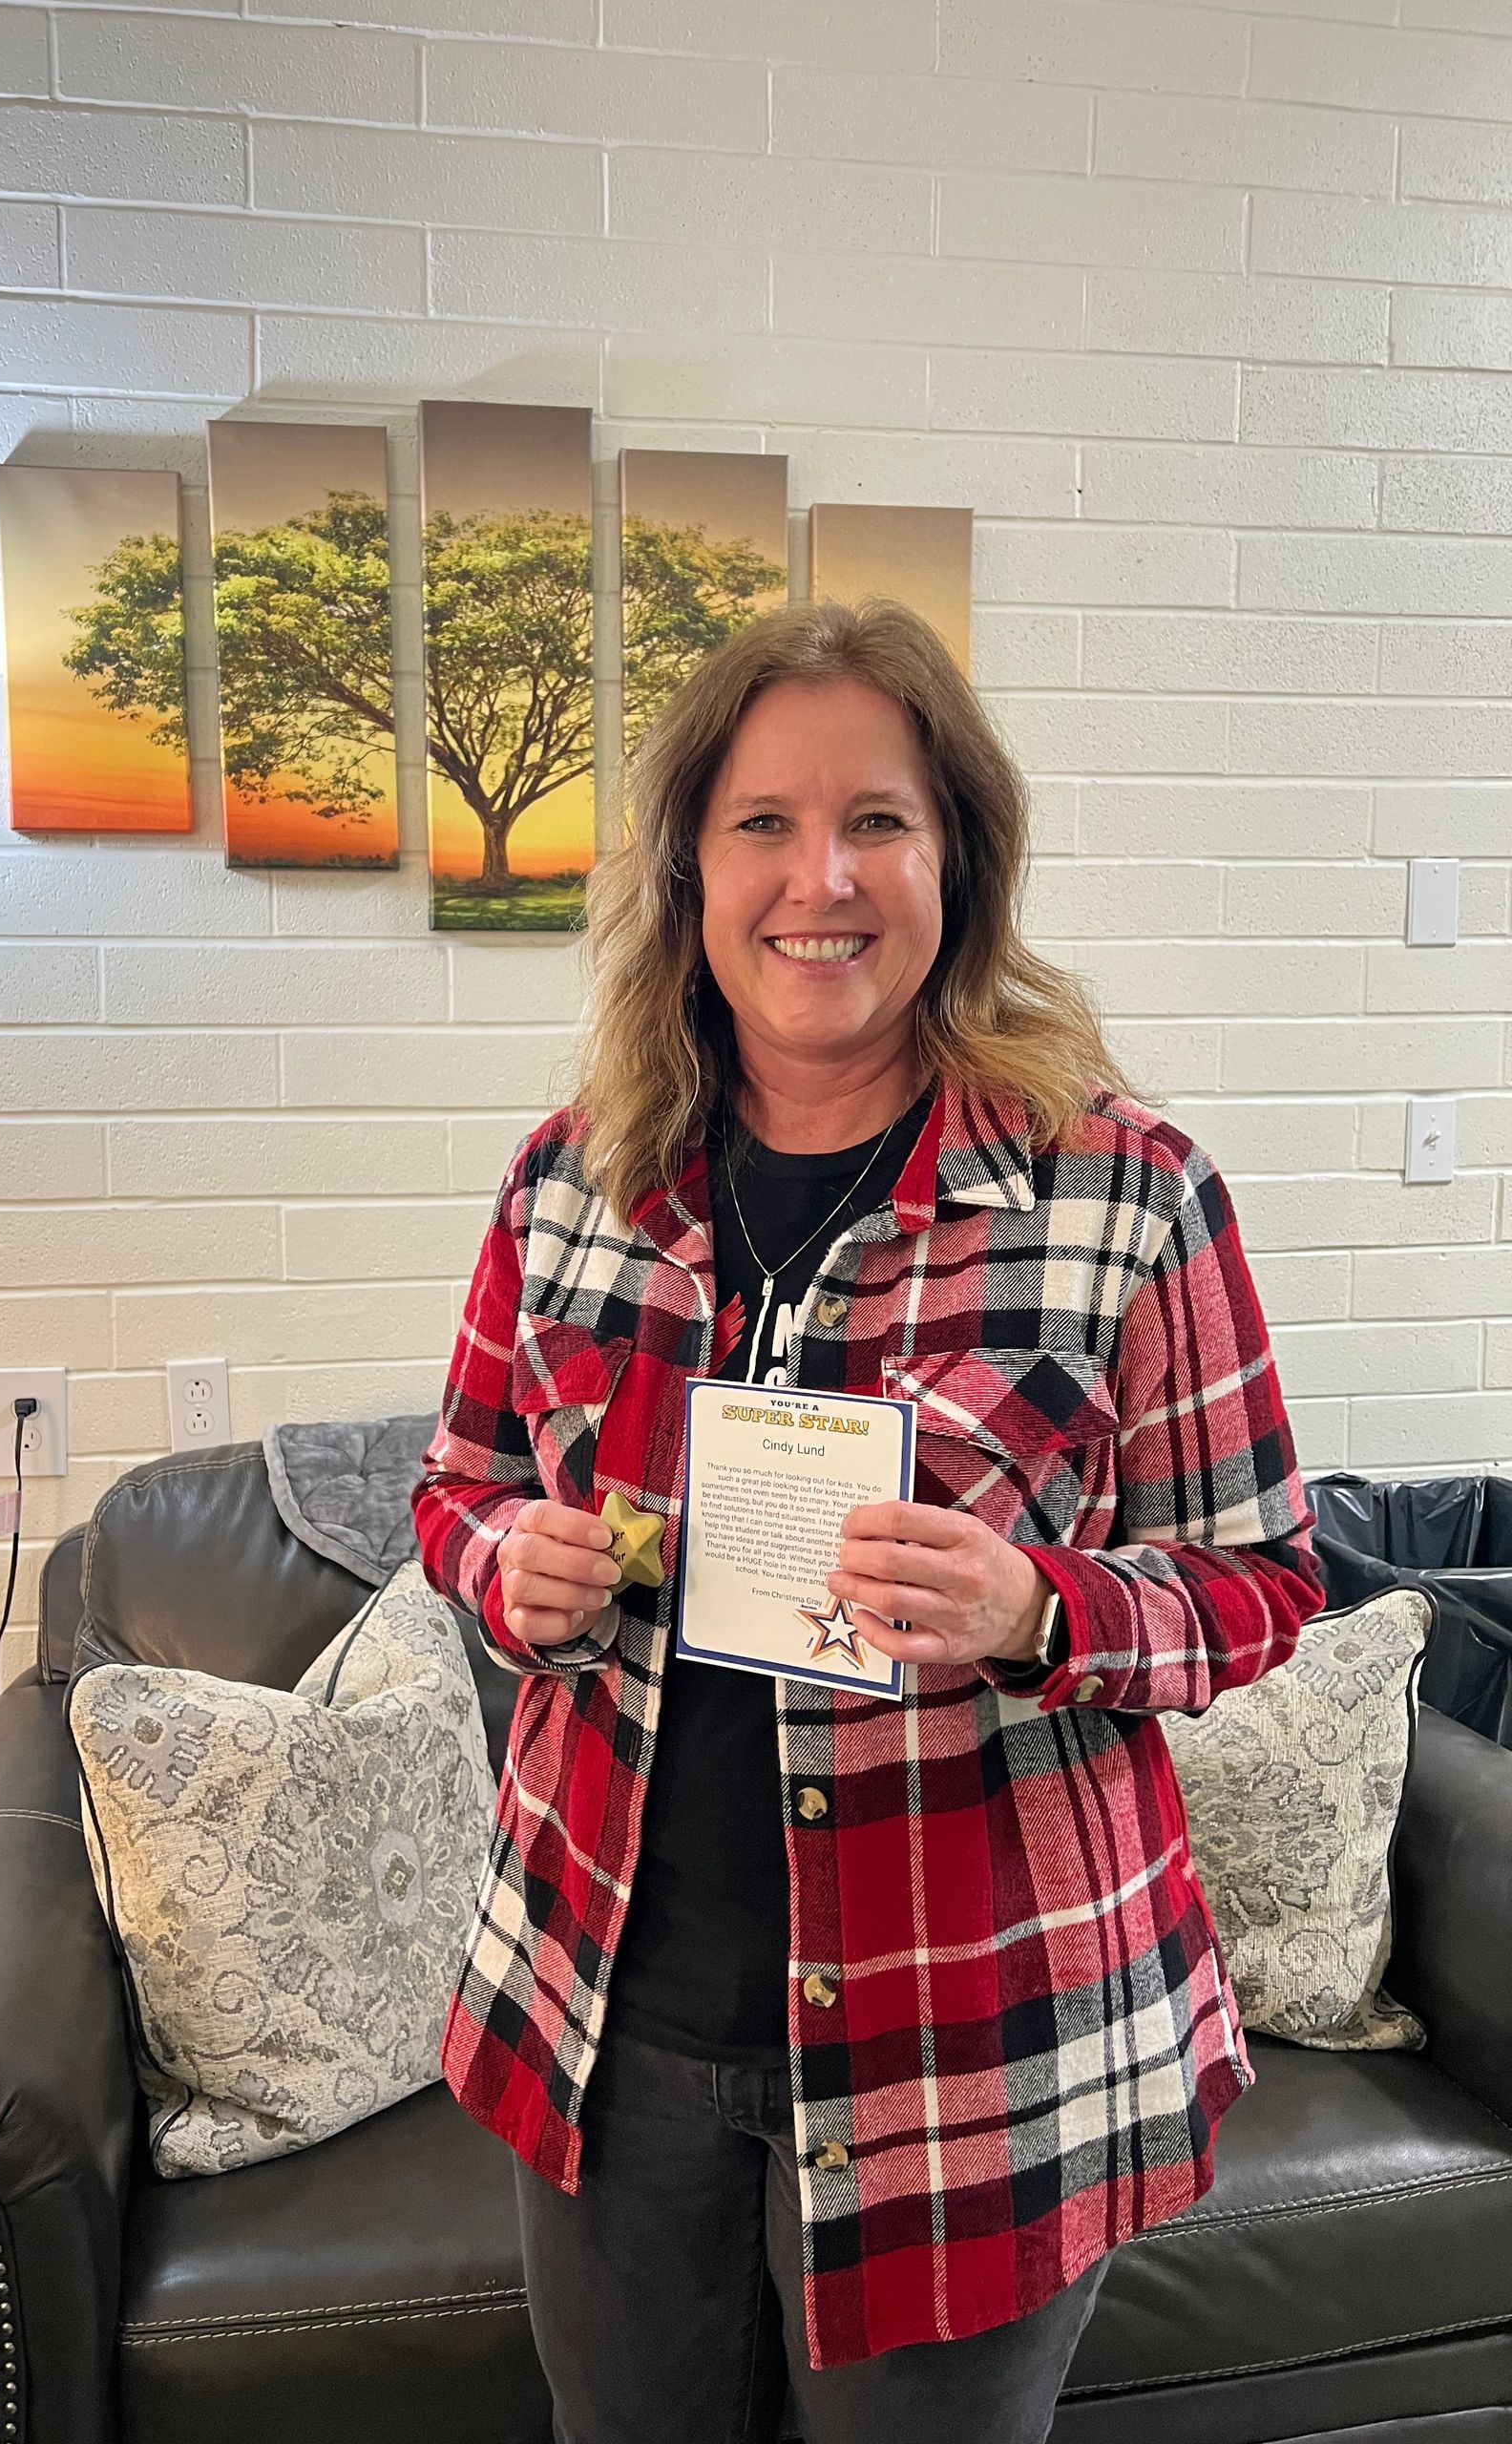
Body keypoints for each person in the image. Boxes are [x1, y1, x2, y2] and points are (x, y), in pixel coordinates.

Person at [412, 598, 1324, 2444]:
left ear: (956, 858)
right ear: (688, 868)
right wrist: (512, 1569)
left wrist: (1039, 1606)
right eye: (762, 822)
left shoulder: (1124, 1193)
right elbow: (459, 1487)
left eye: (878, 821)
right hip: (609, 2025)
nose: (817, 878)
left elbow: (1268, 1582)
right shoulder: (574, 1181)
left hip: (969, 2055)